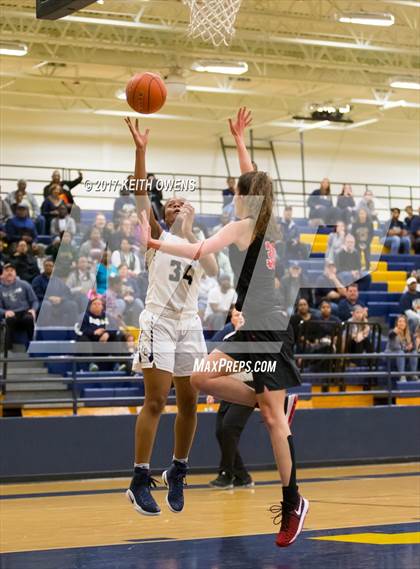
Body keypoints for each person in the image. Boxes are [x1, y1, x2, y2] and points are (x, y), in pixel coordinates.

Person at [137, 107, 309, 547]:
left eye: (237, 190)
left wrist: (153, 242)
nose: (233, 192)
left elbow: (198, 250)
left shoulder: (239, 226)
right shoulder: (266, 221)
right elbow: (254, 179)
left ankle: (293, 502)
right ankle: (263, 398)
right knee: (199, 376)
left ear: (245, 198)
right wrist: (239, 141)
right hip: (252, 325)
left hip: (267, 330)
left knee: (274, 422)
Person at [124, 115, 219, 518]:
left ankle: (178, 469)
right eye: (171, 204)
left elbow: (212, 269)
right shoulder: (156, 238)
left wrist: (193, 230)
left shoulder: (200, 243)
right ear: (164, 212)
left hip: (189, 324)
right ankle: (139, 478)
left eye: (183, 203)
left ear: (192, 210)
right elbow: (141, 196)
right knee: (156, 399)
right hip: (157, 322)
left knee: (191, 400)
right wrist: (141, 152)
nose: (176, 205)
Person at [0, 263, 38, 349]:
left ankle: (32, 345)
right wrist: (5, 312)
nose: (9, 273)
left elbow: (35, 300)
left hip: (24, 312)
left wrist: (33, 309)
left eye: (12, 270)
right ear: (3, 274)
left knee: (29, 318)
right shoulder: (0, 289)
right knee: (9, 320)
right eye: (7, 271)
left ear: (15, 273)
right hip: (11, 314)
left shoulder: (24, 284)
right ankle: (7, 351)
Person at [32, 258, 78, 327]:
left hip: (59, 303)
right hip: (44, 302)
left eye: (50, 266)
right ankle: (45, 330)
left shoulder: (58, 281)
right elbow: (35, 294)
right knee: (46, 304)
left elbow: (67, 293)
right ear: (43, 267)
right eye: (46, 265)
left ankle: (71, 329)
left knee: (72, 305)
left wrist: (61, 299)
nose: (48, 267)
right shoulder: (37, 280)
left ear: (54, 267)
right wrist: (49, 298)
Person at [386, 315, 418, 381]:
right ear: (397, 323)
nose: (402, 323)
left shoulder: (409, 333)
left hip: (403, 356)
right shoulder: (392, 332)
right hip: (391, 355)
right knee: (400, 352)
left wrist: (411, 348)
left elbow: (414, 347)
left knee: (414, 352)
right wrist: (407, 348)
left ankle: (413, 374)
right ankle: (402, 376)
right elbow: (396, 348)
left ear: (406, 324)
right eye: (400, 321)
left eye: (404, 321)